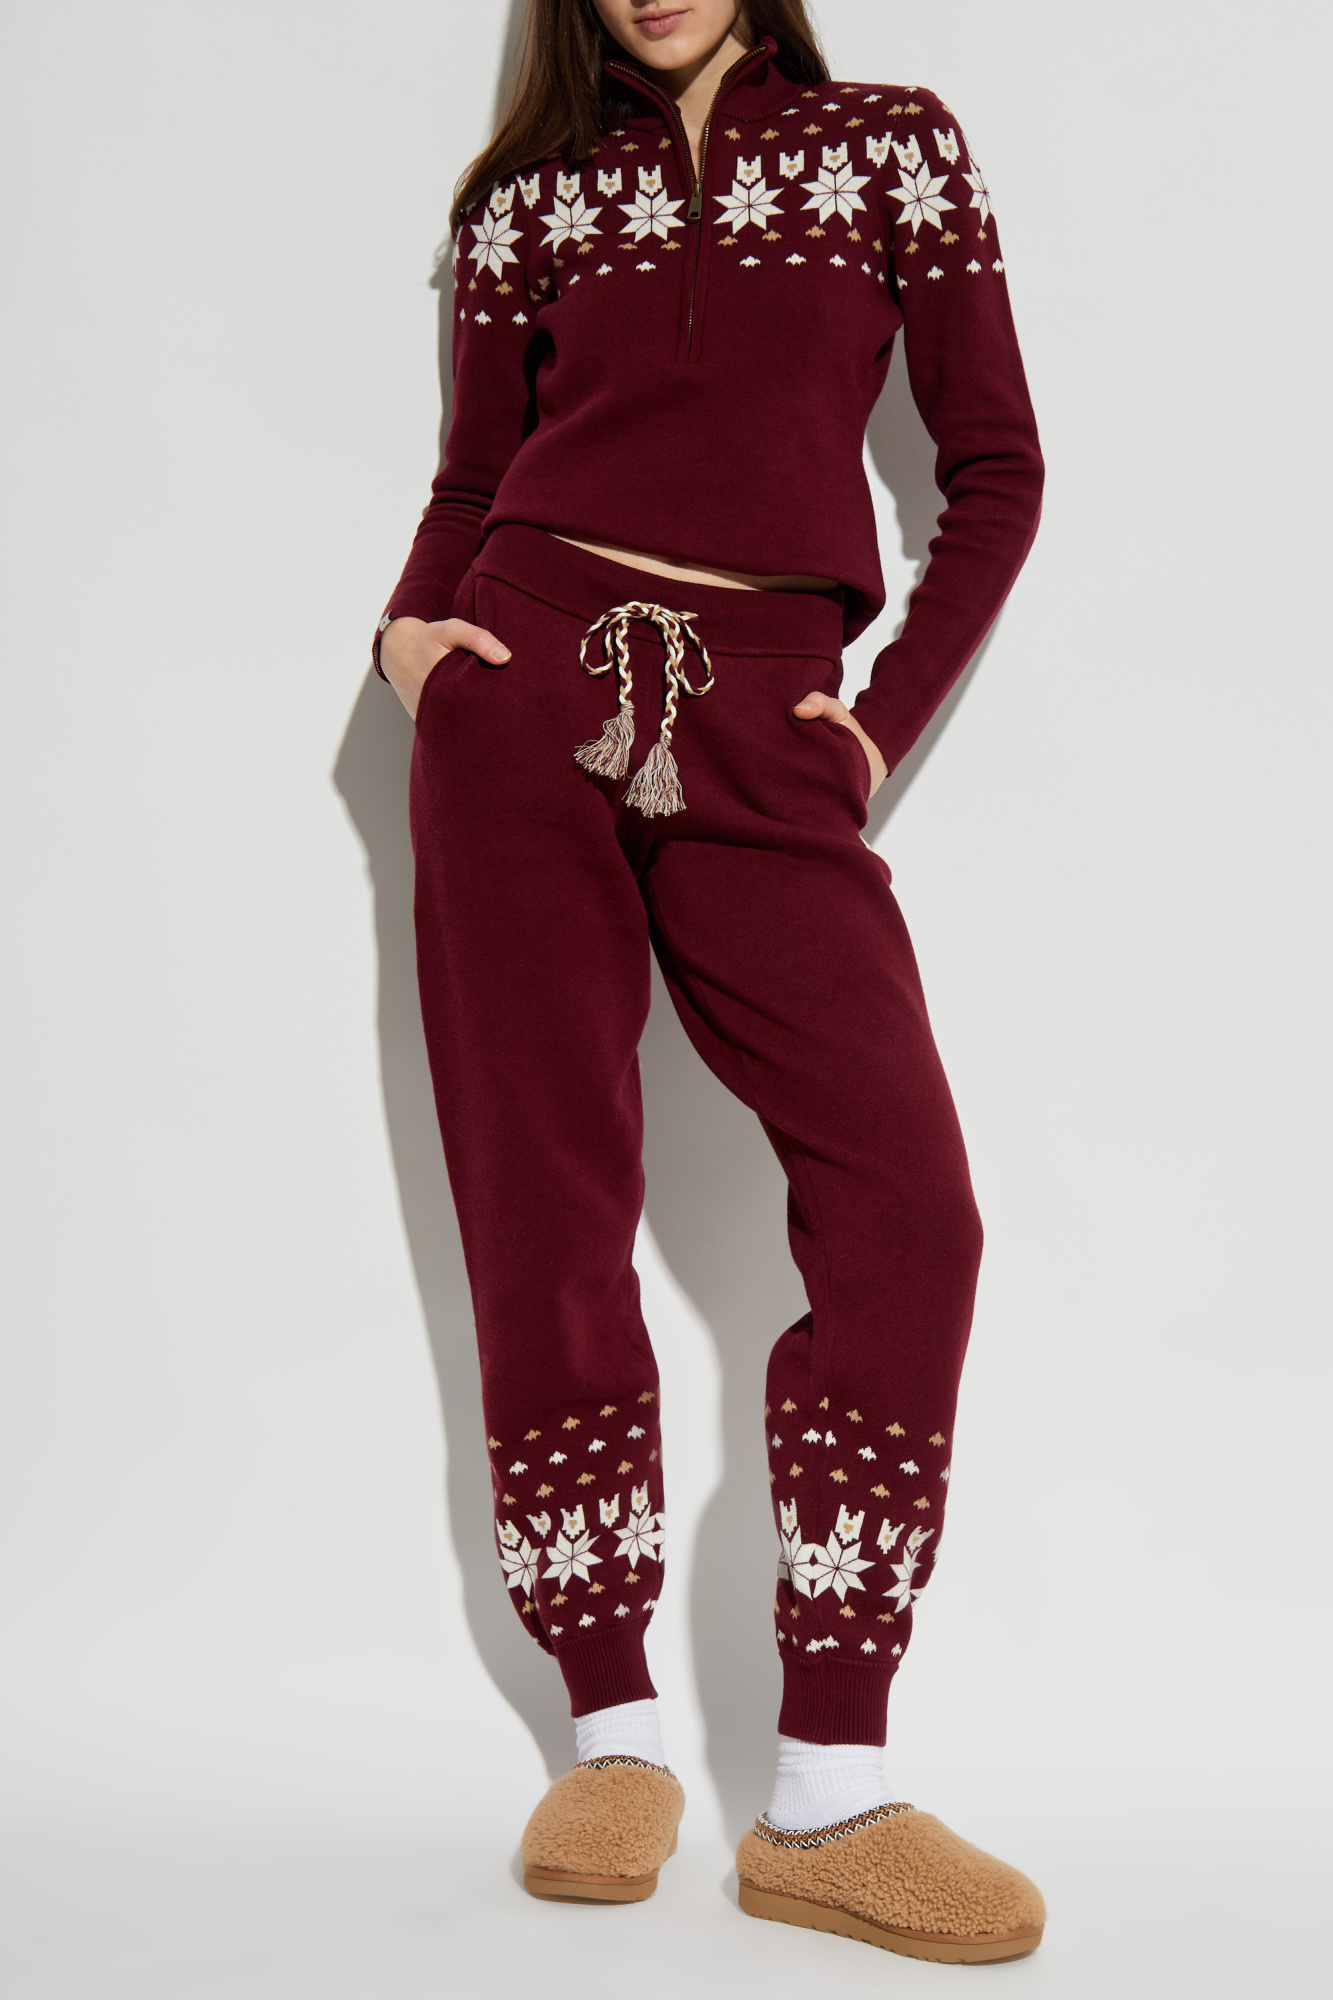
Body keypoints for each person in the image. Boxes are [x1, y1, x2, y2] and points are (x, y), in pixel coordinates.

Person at [374, 0, 1045, 1963]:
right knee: (543, 1201)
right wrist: (413, 644)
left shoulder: (889, 148)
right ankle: (609, 1733)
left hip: (769, 721)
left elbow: (996, 471)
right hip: (520, 696)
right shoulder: (523, 197)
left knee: (910, 1208)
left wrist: (872, 723)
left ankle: (828, 1784)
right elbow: (469, 476)